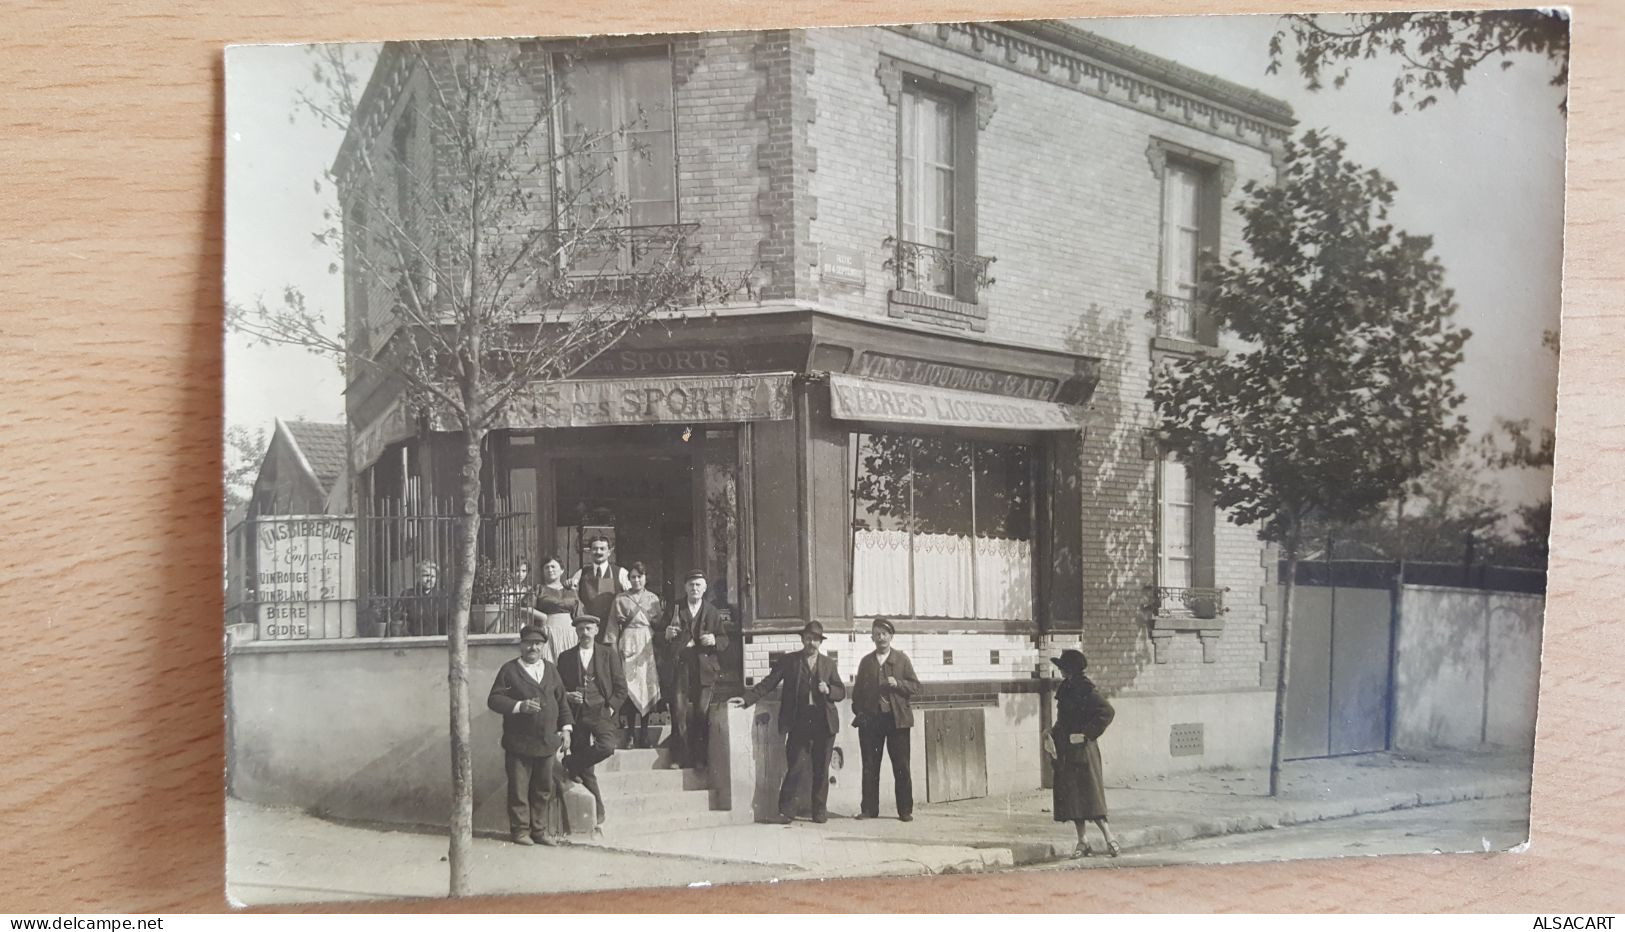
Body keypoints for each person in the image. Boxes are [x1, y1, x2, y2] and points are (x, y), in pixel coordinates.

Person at [729, 621, 846, 824]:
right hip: (799, 722)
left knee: (821, 768)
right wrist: (747, 699)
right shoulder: (789, 661)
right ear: (802, 640)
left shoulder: (828, 664)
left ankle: (819, 812)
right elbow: (769, 682)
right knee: (796, 766)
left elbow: (841, 691)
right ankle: (786, 812)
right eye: (808, 638)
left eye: (816, 639)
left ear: (820, 642)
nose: (811, 643)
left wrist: (829, 690)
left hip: (823, 723)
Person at [486, 625, 574, 846]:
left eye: (537, 644)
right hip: (519, 742)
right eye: (528, 643)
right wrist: (518, 706)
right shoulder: (509, 670)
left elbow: (562, 702)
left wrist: (566, 729)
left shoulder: (551, 670)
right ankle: (520, 831)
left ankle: (539, 830)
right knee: (518, 789)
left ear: (543, 647)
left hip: (547, 742)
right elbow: (494, 699)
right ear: (521, 645)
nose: (533, 647)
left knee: (543, 789)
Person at [1045, 648, 1120, 858]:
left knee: (1090, 795)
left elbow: (1107, 712)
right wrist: (1051, 733)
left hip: (1084, 751)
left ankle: (1109, 837)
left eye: (1062, 667)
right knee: (1074, 799)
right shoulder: (1065, 689)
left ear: (1071, 669)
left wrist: (1086, 734)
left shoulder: (1086, 689)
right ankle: (1082, 841)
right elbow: (1063, 721)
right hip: (1068, 750)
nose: (1060, 670)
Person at [557, 615, 627, 827]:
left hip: (601, 712)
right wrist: (569, 695)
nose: (584, 633)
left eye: (588, 629)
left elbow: (621, 687)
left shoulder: (608, 654)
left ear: (596, 630)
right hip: (577, 714)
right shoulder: (565, 657)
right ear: (576, 632)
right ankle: (598, 809)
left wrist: (610, 707)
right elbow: (559, 690)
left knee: (607, 746)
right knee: (587, 770)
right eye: (580, 630)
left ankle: (571, 763)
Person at [849, 616, 920, 822]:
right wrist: (861, 713)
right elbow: (857, 694)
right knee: (870, 765)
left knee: (901, 766)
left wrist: (897, 683)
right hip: (872, 722)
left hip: (896, 721)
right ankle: (869, 809)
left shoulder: (902, 660)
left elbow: (916, 686)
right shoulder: (866, 662)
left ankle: (905, 810)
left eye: (884, 634)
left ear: (891, 637)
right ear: (872, 637)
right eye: (877, 634)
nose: (881, 638)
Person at [669, 570, 729, 771]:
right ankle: (678, 758)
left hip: (705, 669)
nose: (694, 588)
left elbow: (724, 639)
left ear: (704, 589)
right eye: (691, 585)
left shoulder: (712, 611)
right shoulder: (675, 608)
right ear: (685, 587)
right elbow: (660, 634)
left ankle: (699, 759)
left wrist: (714, 640)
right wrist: (667, 634)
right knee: (679, 712)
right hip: (681, 667)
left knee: (701, 714)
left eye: (698, 585)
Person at [609, 562, 664, 744]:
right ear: (629, 579)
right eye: (633, 577)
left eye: (640, 576)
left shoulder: (653, 599)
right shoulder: (620, 599)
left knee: (645, 688)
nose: (636, 580)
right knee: (630, 687)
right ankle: (631, 733)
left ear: (645, 578)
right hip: (629, 641)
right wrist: (614, 649)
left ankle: (645, 733)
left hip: (647, 644)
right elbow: (612, 627)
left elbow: (660, 624)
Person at [569, 536, 630, 642]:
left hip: (612, 628)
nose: (598, 552)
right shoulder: (581, 573)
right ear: (590, 551)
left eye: (602, 549)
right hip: (589, 628)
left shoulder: (621, 573)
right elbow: (573, 598)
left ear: (610, 552)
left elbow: (630, 598)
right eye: (595, 549)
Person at [531, 556, 580, 665]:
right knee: (550, 665)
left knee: (569, 666)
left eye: (553, 566)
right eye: (546, 567)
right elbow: (523, 608)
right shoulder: (539, 589)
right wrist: (541, 616)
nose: (550, 570)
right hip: (548, 632)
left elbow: (578, 611)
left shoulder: (570, 589)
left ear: (562, 570)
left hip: (570, 633)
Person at [393, 559, 447, 637]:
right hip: (414, 641)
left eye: (432, 576)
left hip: (439, 641)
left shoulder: (443, 597)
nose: (429, 579)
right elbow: (397, 620)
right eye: (426, 575)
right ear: (418, 577)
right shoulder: (407, 595)